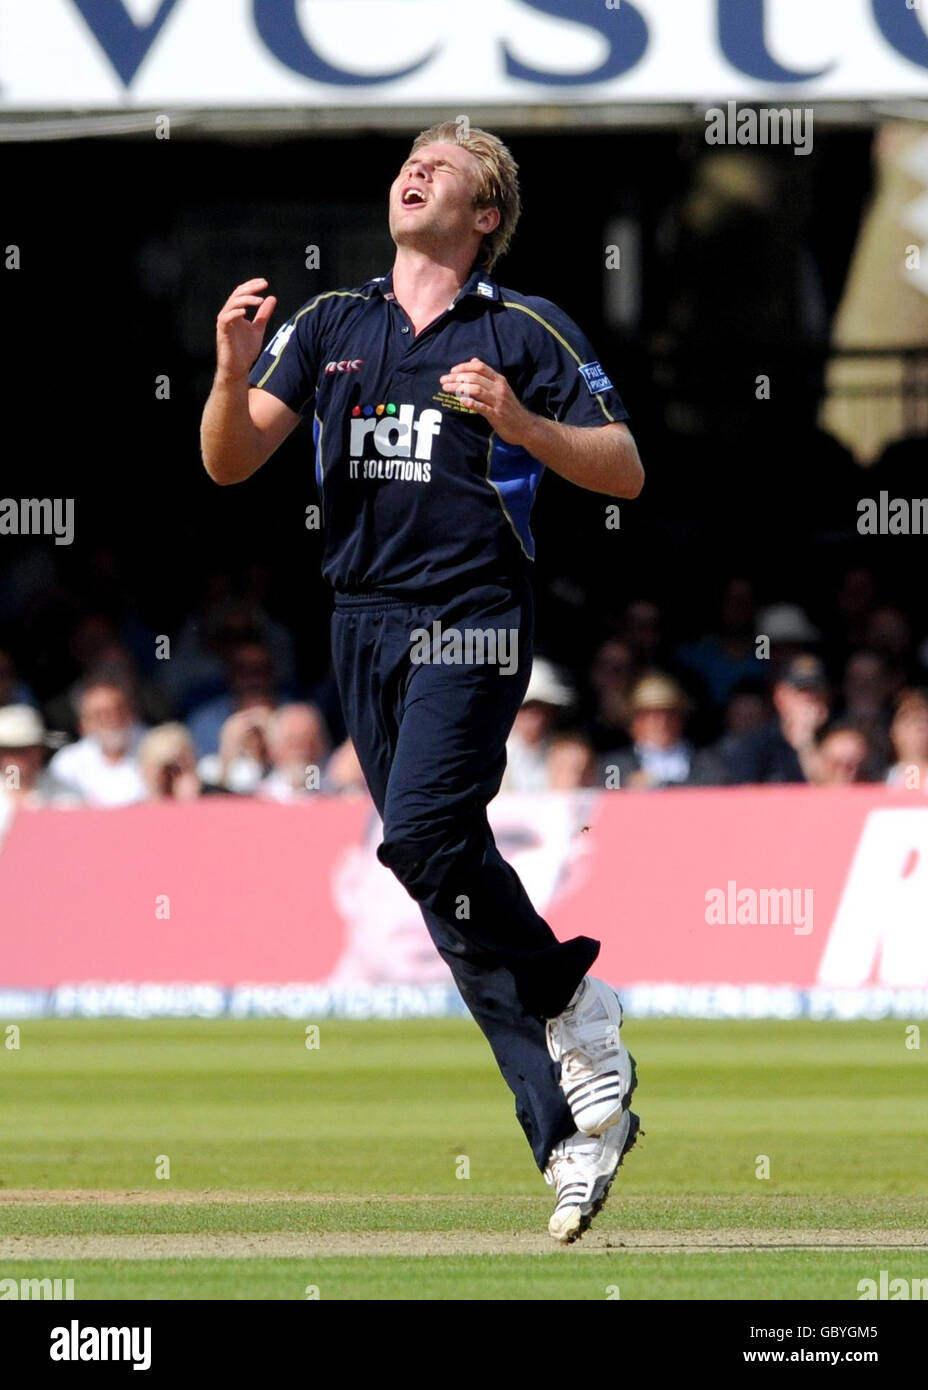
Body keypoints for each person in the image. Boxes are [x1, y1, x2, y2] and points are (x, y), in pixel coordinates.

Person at [201, 122, 645, 1243]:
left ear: (484, 214)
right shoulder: (332, 323)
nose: (415, 172)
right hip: (359, 623)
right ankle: (568, 1134)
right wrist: (226, 368)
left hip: (474, 616)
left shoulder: (524, 328)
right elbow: (229, 458)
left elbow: (625, 471)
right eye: (413, 159)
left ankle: (573, 1000)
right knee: (439, 883)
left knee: (428, 832)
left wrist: (515, 417)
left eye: (443, 168)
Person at [606, 671, 725, 790]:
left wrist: (660, 785)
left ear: (681, 718)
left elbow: (716, 791)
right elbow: (606, 795)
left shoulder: (708, 762)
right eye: (650, 715)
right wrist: (627, 789)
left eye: (669, 714)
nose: (661, 723)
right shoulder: (614, 765)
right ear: (635, 722)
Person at [723, 654, 831, 785]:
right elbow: (743, 796)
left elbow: (830, 792)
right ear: (780, 697)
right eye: (801, 691)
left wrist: (806, 745)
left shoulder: (840, 739)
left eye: (816, 691)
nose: (810, 699)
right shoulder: (755, 745)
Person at [47, 679, 146, 807]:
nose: (113, 720)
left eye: (119, 710)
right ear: (83, 724)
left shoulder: (154, 748)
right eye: (101, 715)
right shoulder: (67, 762)